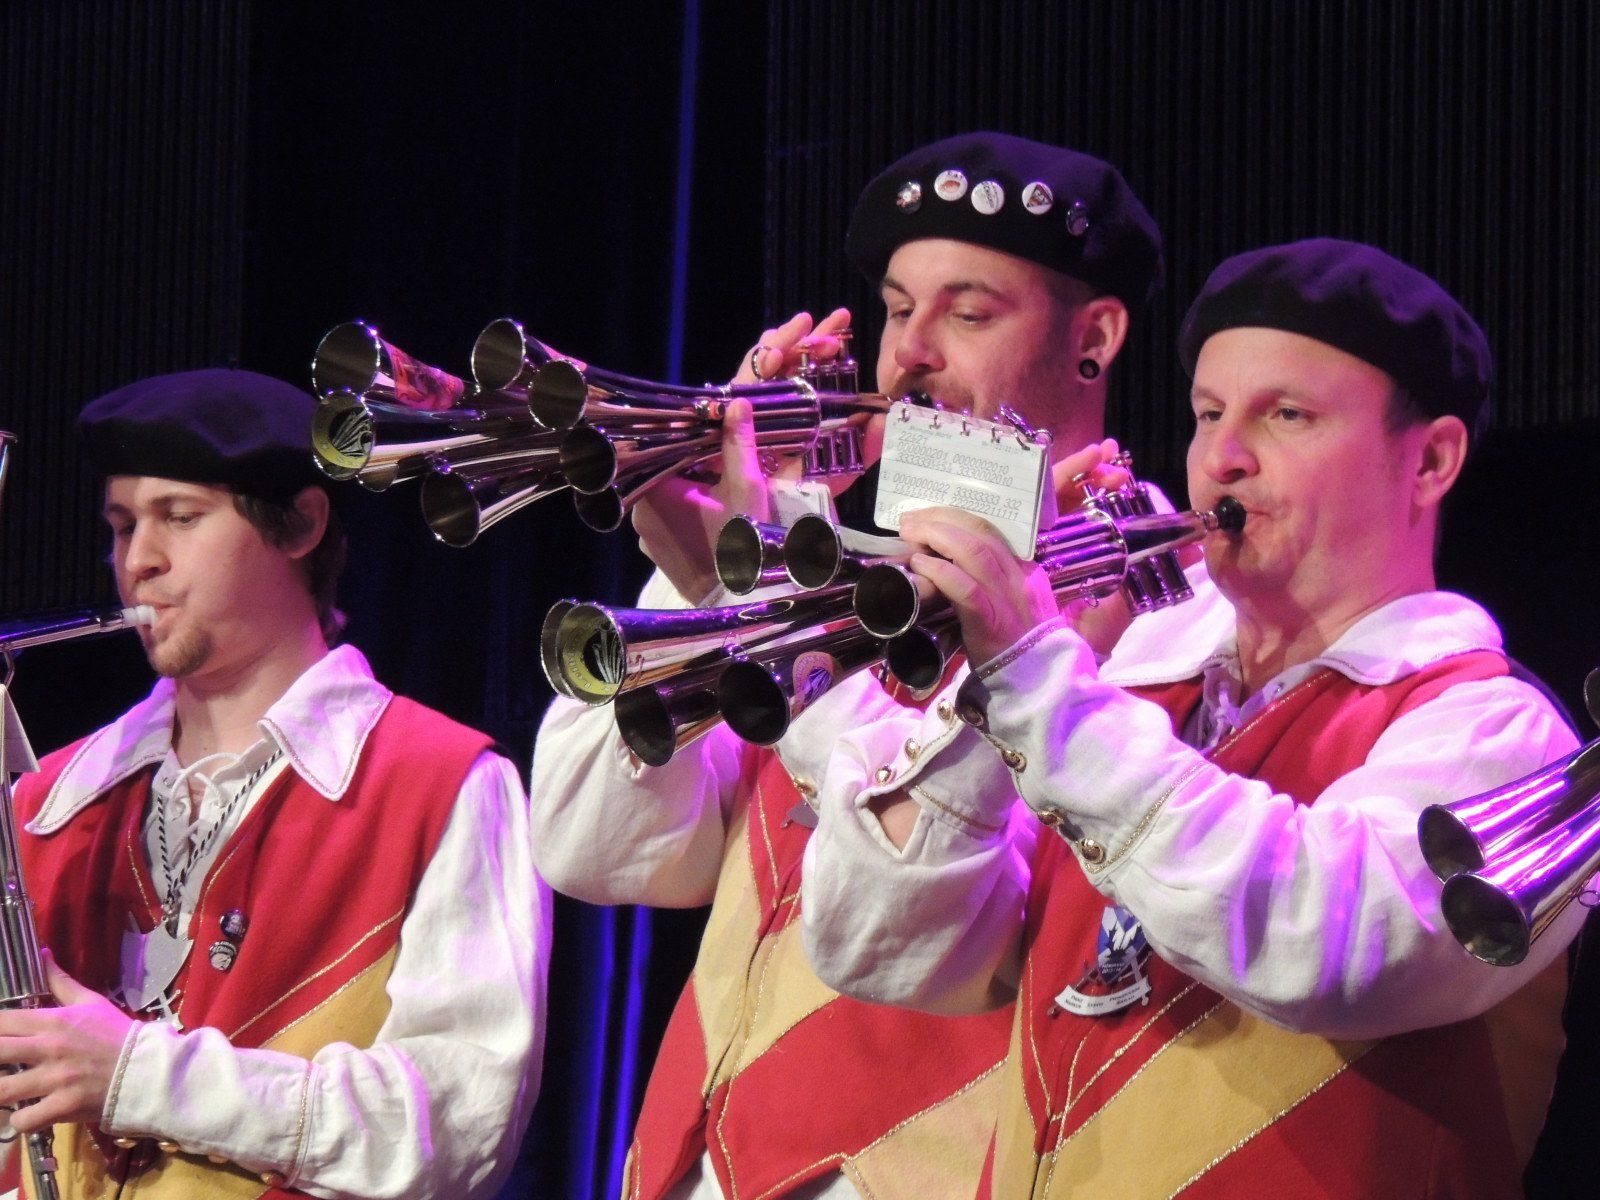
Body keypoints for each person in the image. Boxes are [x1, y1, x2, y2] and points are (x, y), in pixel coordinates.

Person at [799, 239, 1582, 1197]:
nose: (1223, 457)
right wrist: (1002, 683)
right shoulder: (1125, 695)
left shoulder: (1501, 735)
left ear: (1429, 461)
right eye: (1209, 413)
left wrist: (1039, 676)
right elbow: (877, 946)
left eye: (1286, 415)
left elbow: (1328, 944)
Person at [532, 132, 1222, 1200]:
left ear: (1093, 337)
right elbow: (599, 849)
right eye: (898, 311)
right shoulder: (832, 567)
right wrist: (709, 564)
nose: (912, 356)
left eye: (969, 314)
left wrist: (763, 588)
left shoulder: (1165, 629)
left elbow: (927, 938)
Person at [0, 369, 547, 1199]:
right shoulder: (43, 805)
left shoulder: (440, 785)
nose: (137, 562)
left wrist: (142, 1077)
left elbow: (456, 1131)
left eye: (180, 517)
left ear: (300, 524)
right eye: (122, 526)